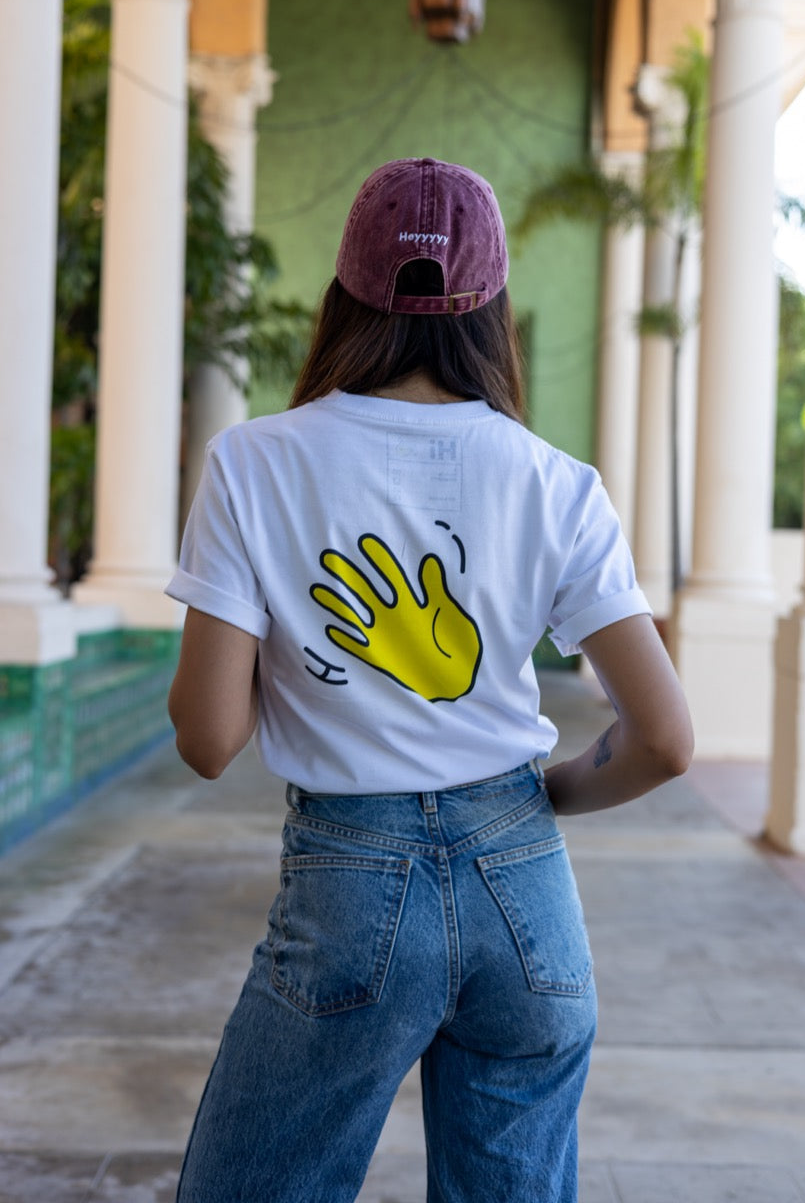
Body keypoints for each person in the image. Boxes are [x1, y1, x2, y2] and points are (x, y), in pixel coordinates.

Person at [166, 157, 693, 1203]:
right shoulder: (557, 484)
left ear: (345, 296)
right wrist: (540, 796)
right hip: (526, 884)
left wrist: (312, 650)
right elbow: (667, 738)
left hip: (350, 884)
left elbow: (207, 734)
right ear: (490, 307)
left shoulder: (253, 463)